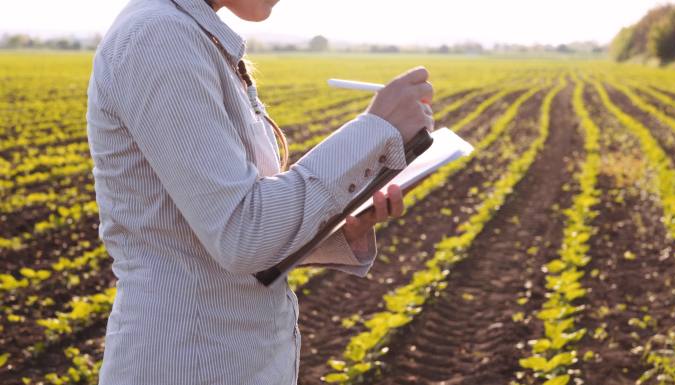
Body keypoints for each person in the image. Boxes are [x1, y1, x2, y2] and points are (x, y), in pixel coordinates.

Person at [86, 0, 434, 383]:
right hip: (191, 361)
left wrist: (342, 220)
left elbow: (224, 233)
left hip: (229, 358)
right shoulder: (158, 37)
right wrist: (374, 128)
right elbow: (242, 232)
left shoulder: (190, 35)